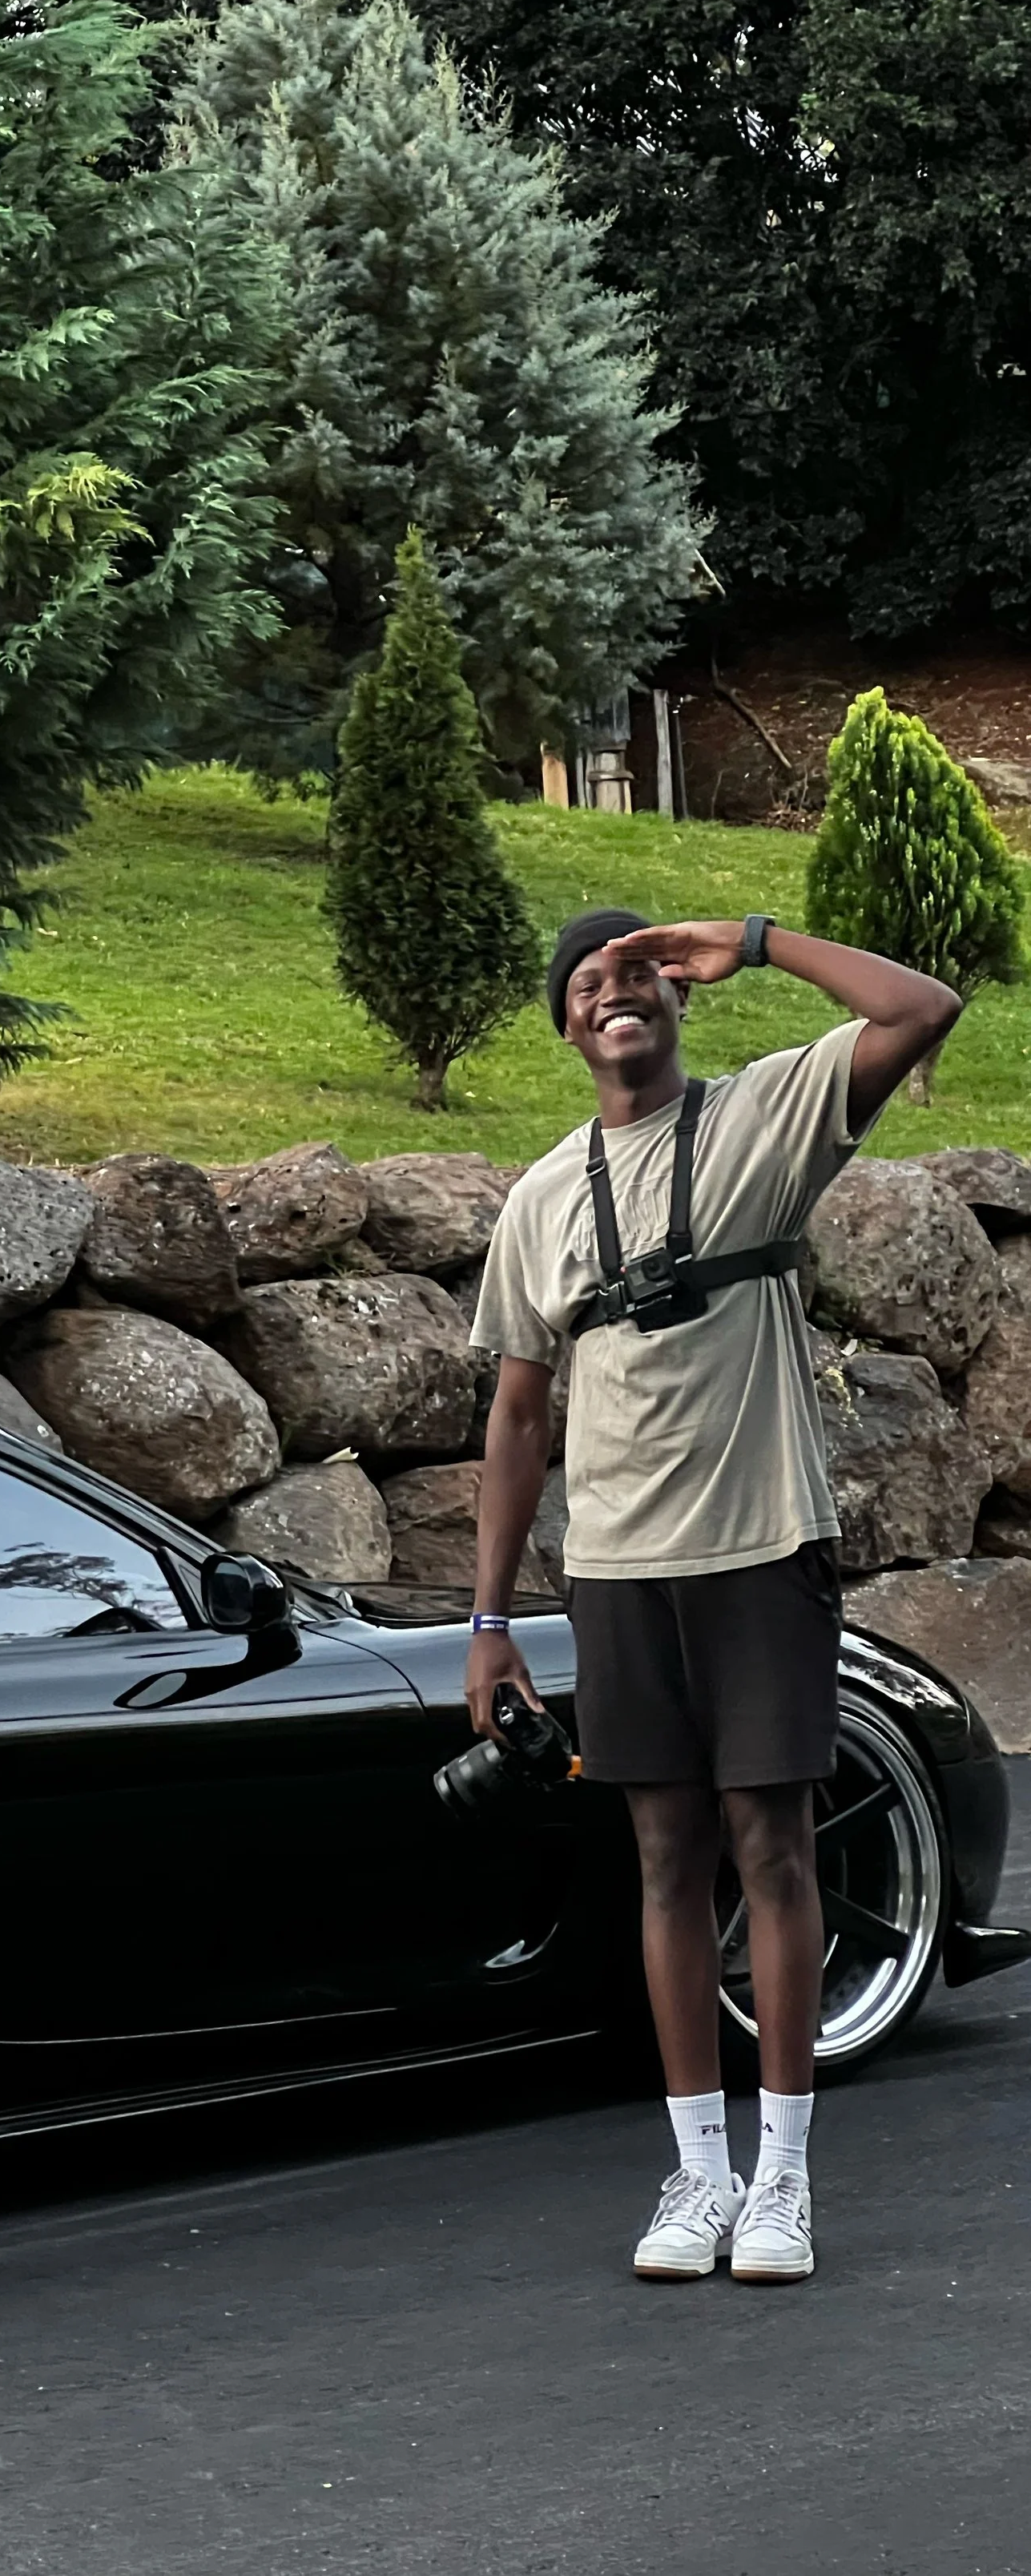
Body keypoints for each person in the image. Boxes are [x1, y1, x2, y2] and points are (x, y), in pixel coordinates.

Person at [465, 909, 961, 2284]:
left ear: (679, 995)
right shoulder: (542, 1198)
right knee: (667, 1862)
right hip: (620, 1570)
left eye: (638, 973)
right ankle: (699, 2173)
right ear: (566, 1025)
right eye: (588, 983)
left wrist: (753, 939)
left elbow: (920, 1008)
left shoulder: (762, 1120)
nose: (614, 994)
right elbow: (518, 1419)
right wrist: (491, 1622)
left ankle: (783, 2176)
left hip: (760, 1550)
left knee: (775, 1848)